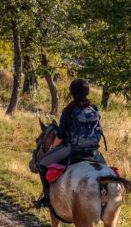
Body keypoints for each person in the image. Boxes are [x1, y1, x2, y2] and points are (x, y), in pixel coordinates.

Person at [34, 78, 106, 207]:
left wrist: (52, 147)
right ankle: (104, 193)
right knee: (105, 169)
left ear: (71, 93)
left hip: (72, 149)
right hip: (93, 150)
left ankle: (47, 198)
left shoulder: (68, 111)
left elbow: (60, 135)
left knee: (42, 163)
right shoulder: (94, 109)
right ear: (87, 92)